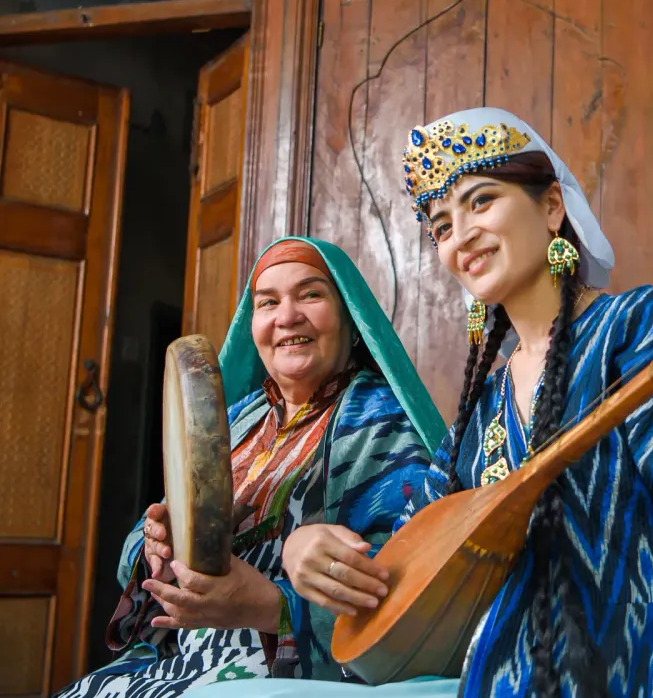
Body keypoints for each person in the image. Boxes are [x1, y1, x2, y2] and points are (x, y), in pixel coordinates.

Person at [198, 107, 653, 697]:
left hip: (649, 676)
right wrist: (307, 552)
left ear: (550, 206)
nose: (460, 236)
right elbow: (413, 572)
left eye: (481, 200)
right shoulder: (481, 410)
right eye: (439, 225)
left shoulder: (633, 330)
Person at [56, 237, 445, 696]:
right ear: (253, 325)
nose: (287, 317)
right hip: (184, 660)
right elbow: (139, 558)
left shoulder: (384, 427)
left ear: (350, 320)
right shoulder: (236, 423)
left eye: (311, 294)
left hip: (285, 674)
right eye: (268, 303)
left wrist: (268, 605)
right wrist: (158, 549)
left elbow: (416, 589)